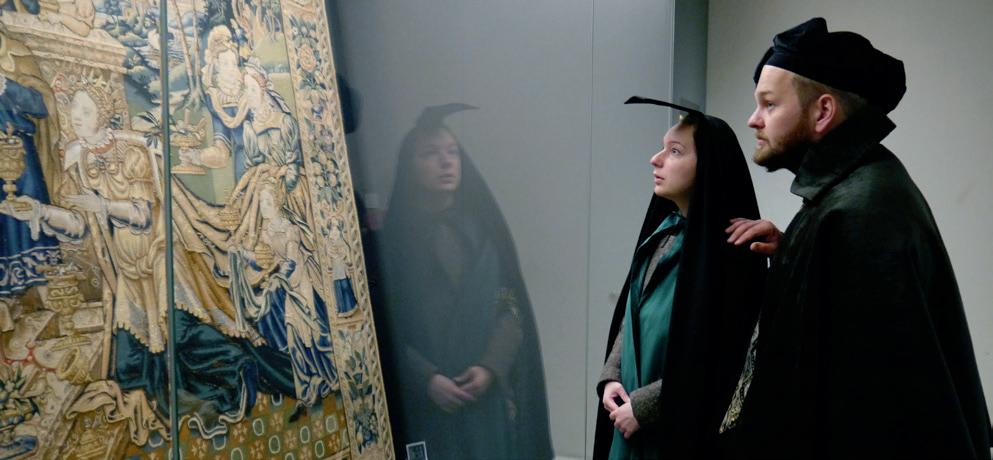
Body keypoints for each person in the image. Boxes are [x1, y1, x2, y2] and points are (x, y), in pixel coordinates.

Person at [722, 17, 992, 459]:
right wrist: (795, 250)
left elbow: (868, 403)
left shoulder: (860, 210)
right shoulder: (856, 191)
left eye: (769, 104)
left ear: (823, 112)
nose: (753, 120)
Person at [592, 97, 765, 459]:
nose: (655, 159)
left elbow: (722, 355)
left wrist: (644, 407)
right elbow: (632, 313)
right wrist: (611, 377)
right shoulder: (663, 233)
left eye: (674, 151)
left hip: (678, 431)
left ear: (709, 166)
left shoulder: (731, 251)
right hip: (626, 418)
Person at [377, 104, 553, 459]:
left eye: (453, 152)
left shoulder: (484, 234)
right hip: (425, 406)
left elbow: (510, 306)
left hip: (483, 398)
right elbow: (384, 325)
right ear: (409, 166)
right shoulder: (392, 246)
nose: (446, 162)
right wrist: (426, 379)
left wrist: (489, 367)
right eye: (430, 154)